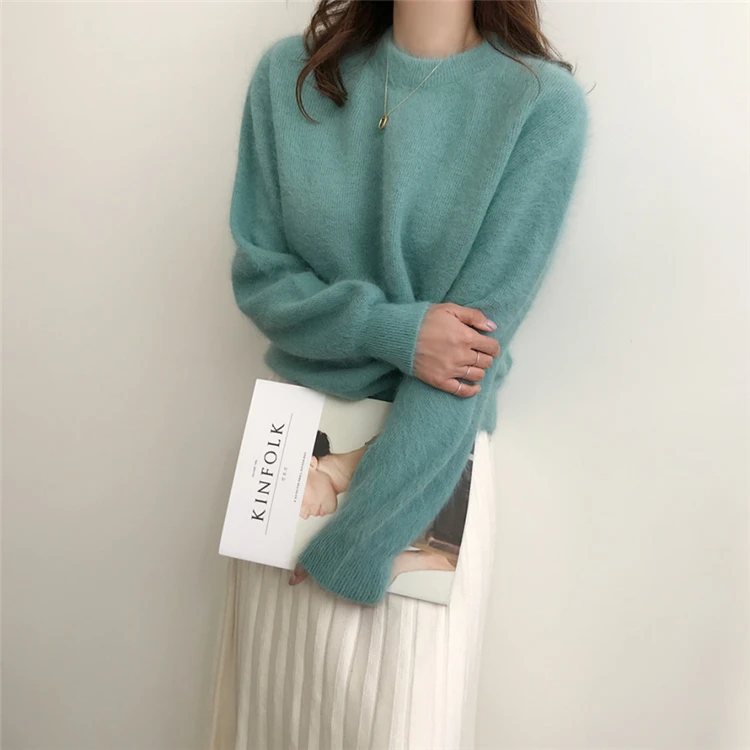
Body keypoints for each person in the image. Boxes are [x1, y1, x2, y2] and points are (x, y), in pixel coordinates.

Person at [211, 0, 590, 747]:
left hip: (422, 482)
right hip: (283, 468)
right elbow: (261, 281)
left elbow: (470, 357)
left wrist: (363, 538)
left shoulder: (540, 105)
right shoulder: (290, 77)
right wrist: (398, 331)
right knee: (268, 722)